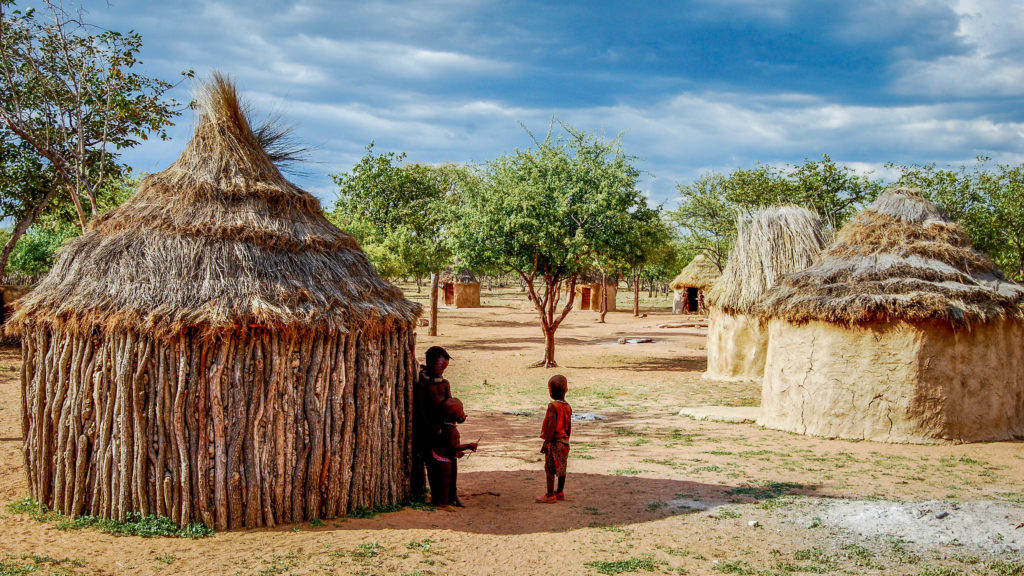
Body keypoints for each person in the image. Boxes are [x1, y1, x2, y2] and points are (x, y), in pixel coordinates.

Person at [413, 346, 453, 494]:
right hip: (428, 429)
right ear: (430, 363)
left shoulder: (444, 384)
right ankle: (437, 494)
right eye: (440, 367)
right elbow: (421, 406)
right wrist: (432, 425)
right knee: (432, 461)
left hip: (444, 427)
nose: (442, 371)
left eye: (444, 369)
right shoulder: (423, 383)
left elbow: (449, 403)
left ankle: (450, 493)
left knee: (449, 458)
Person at [426, 397, 478, 507]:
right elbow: (453, 447)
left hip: (442, 457)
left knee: (447, 480)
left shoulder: (444, 426)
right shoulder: (452, 431)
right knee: (445, 481)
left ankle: (450, 497)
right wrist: (468, 446)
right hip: (444, 459)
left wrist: (457, 452)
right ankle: (443, 504)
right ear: (455, 414)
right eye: (461, 409)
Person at [536, 374, 572, 504]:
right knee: (562, 467)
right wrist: (567, 439)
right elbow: (569, 426)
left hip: (554, 441)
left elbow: (551, 426)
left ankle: (550, 494)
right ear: (566, 390)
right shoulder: (568, 406)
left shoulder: (553, 406)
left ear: (550, 392)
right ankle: (560, 492)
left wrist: (547, 441)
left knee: (550, 468)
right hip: (564, 441)